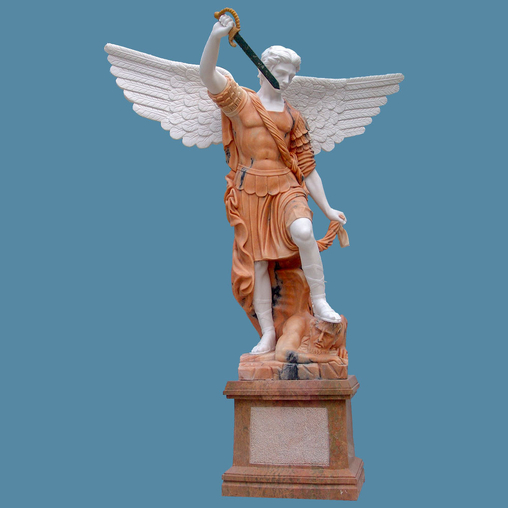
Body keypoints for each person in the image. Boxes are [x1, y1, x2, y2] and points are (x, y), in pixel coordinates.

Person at [200, 15, 347, 354]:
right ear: (262, 68)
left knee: (304, 232)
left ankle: (321, 300)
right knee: (260, 263)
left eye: (292, 76)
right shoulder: (241, 102)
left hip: (285, 187)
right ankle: (268, 333)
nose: (288, 81)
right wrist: (215, 37)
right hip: (251, 190)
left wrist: (327, 208)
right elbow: (207, 75)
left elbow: (308, 169)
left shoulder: (294, 116)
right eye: (282, 73)